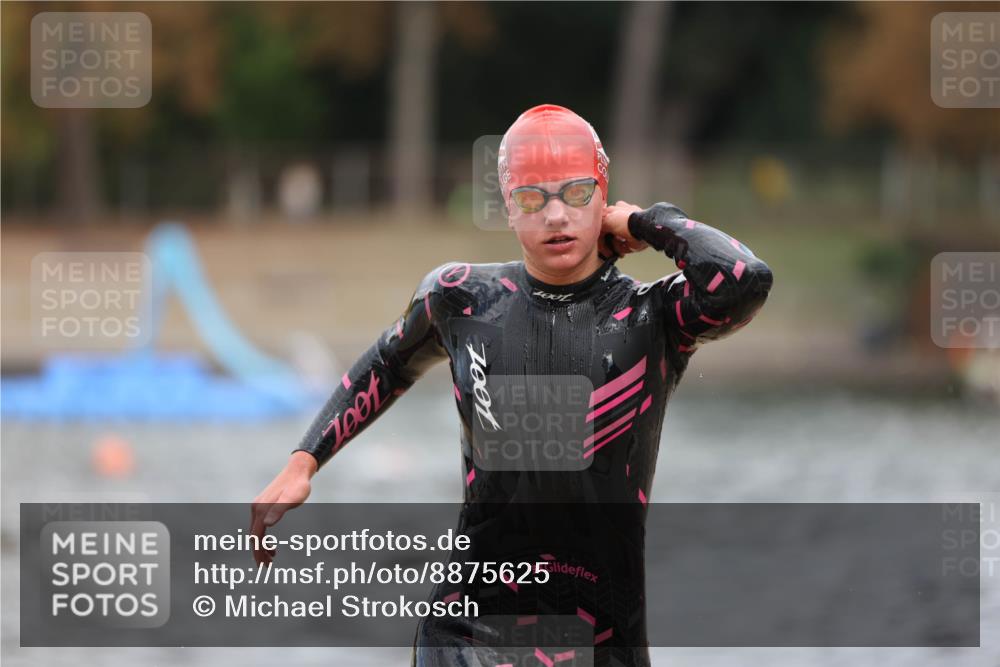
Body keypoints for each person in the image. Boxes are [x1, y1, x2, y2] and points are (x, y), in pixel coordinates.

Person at [251, 104, 774, 666]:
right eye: (532, 199)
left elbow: (745, 280)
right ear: (507, 208)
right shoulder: (461, 298)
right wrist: (304, 461)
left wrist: (647, 222)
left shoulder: (653, 317)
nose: (556, 215)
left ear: (604, 198)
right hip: (468, 632)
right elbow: (386, 363)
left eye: (576, 193)